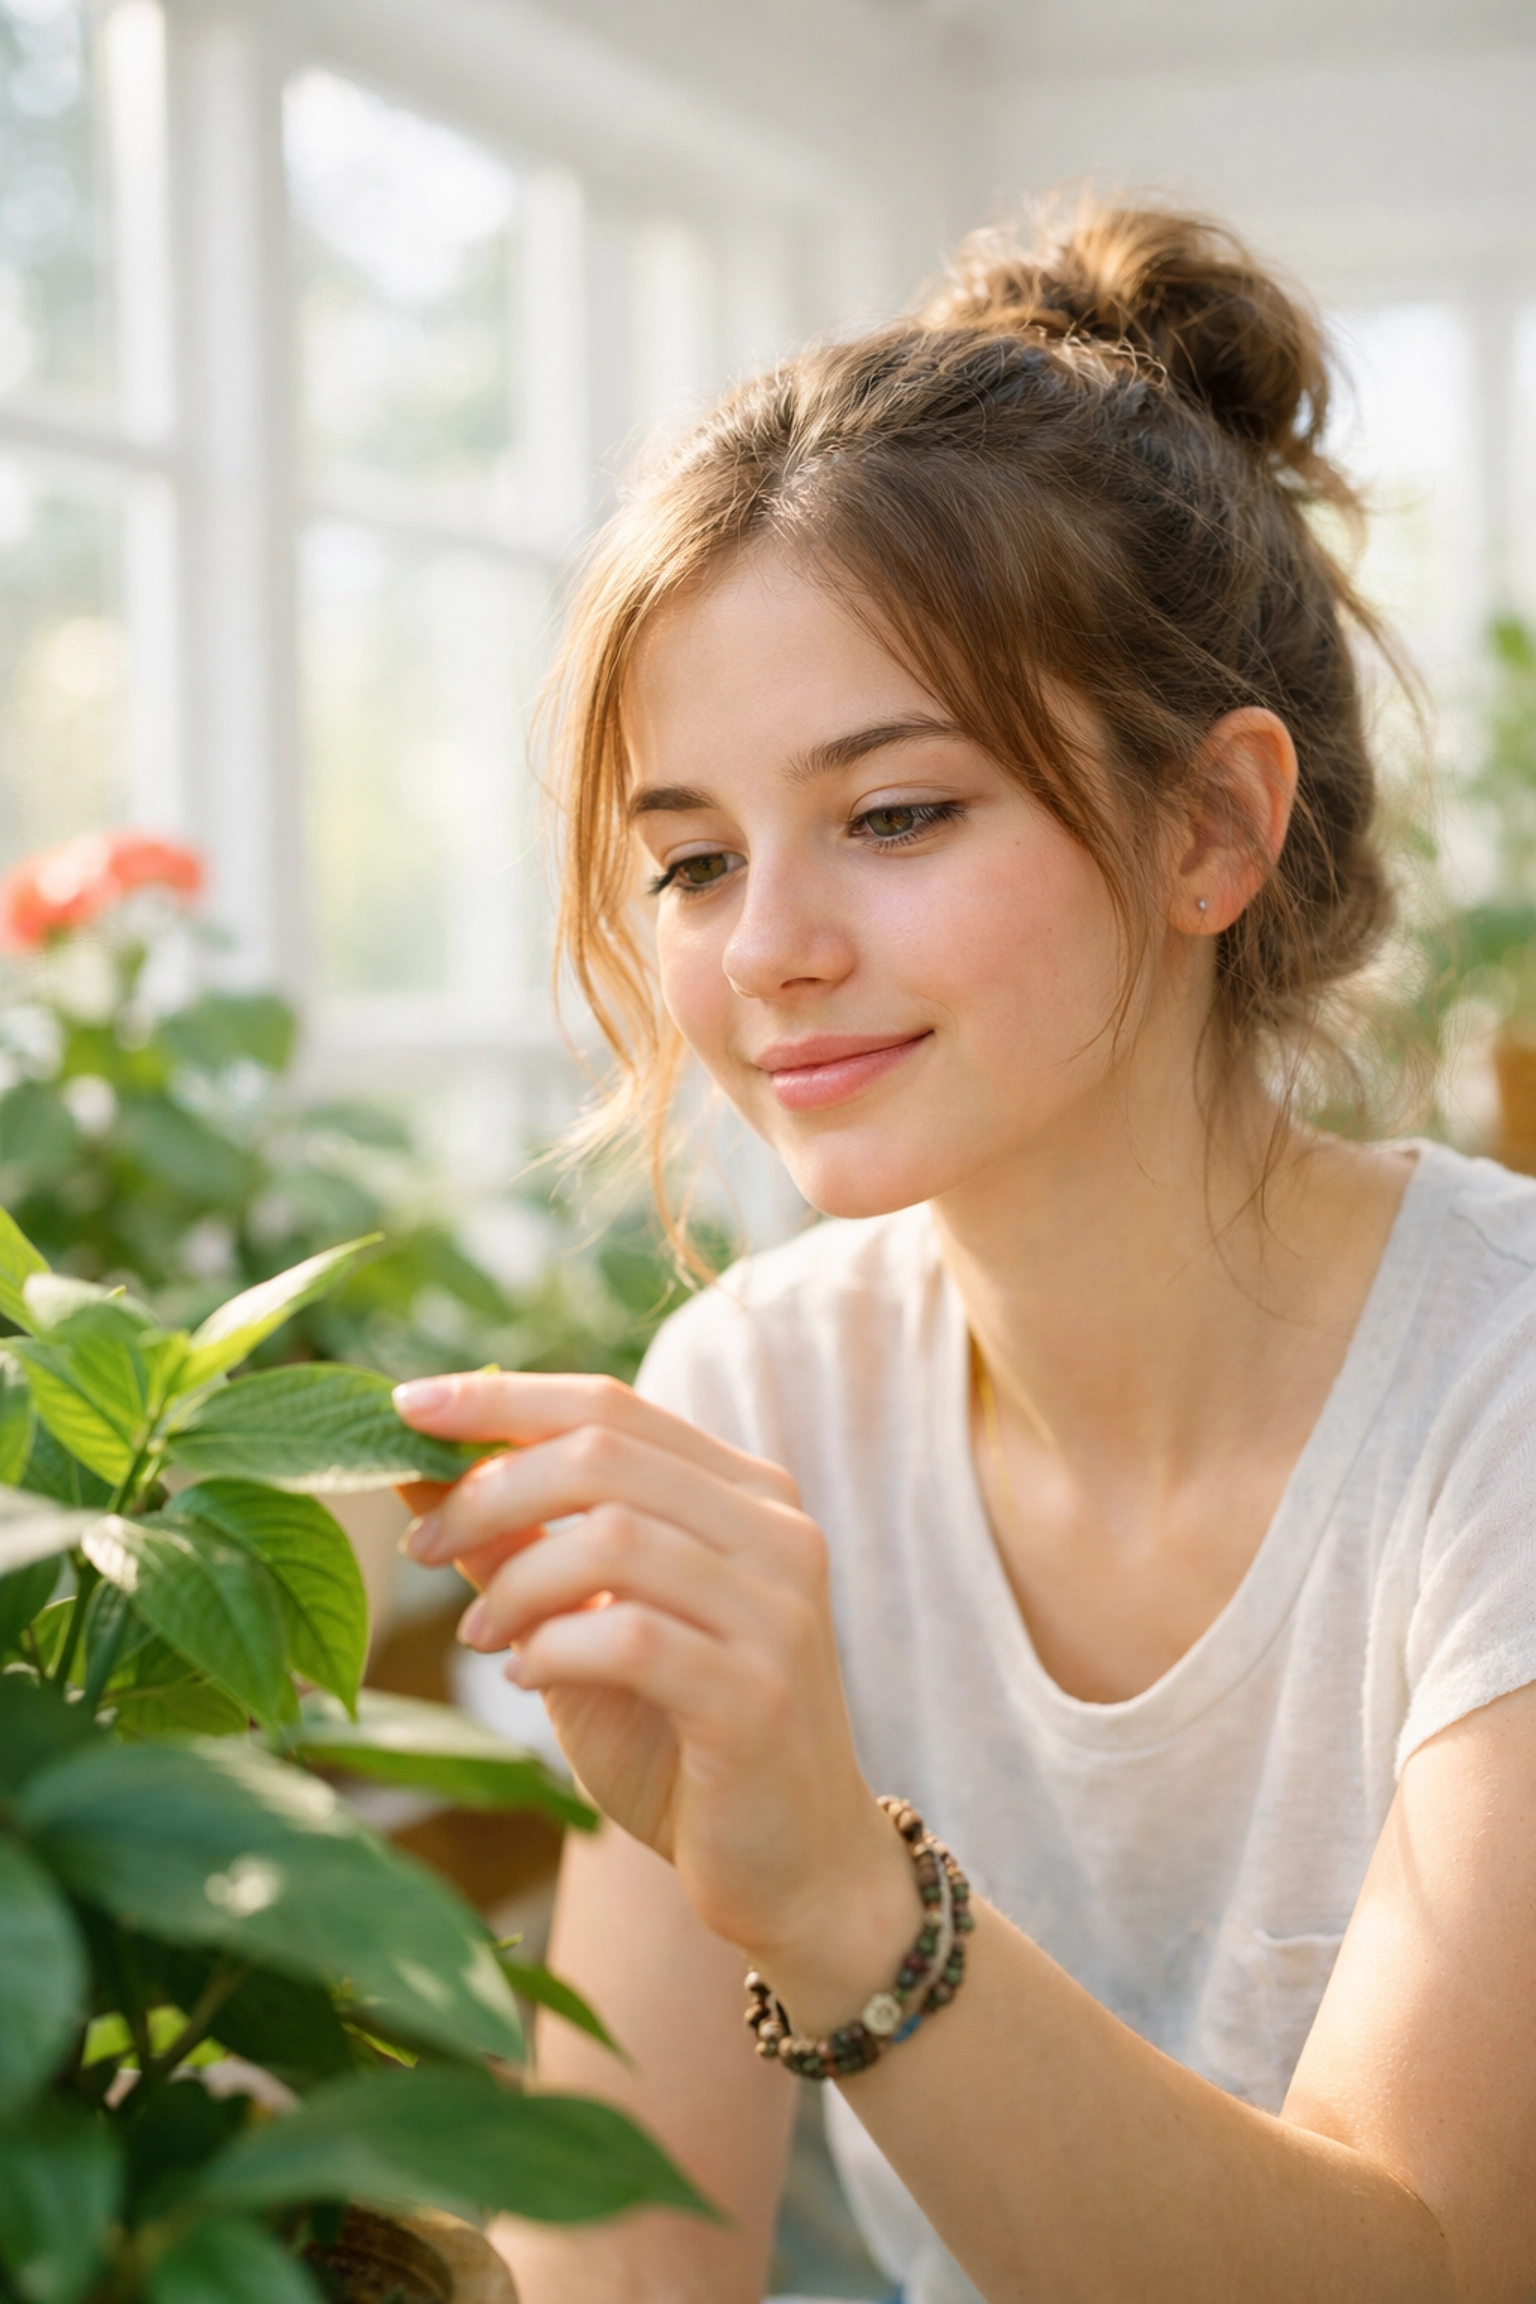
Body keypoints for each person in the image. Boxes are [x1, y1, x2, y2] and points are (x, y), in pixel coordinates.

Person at [393, 201, 1536, 2303]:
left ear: (1210, 827)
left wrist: (841, 1898)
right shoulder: (748, 1401)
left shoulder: (1502, 1393)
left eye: (898, 814)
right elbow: (636, 2276)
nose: (771, 952)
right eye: (694, 861)